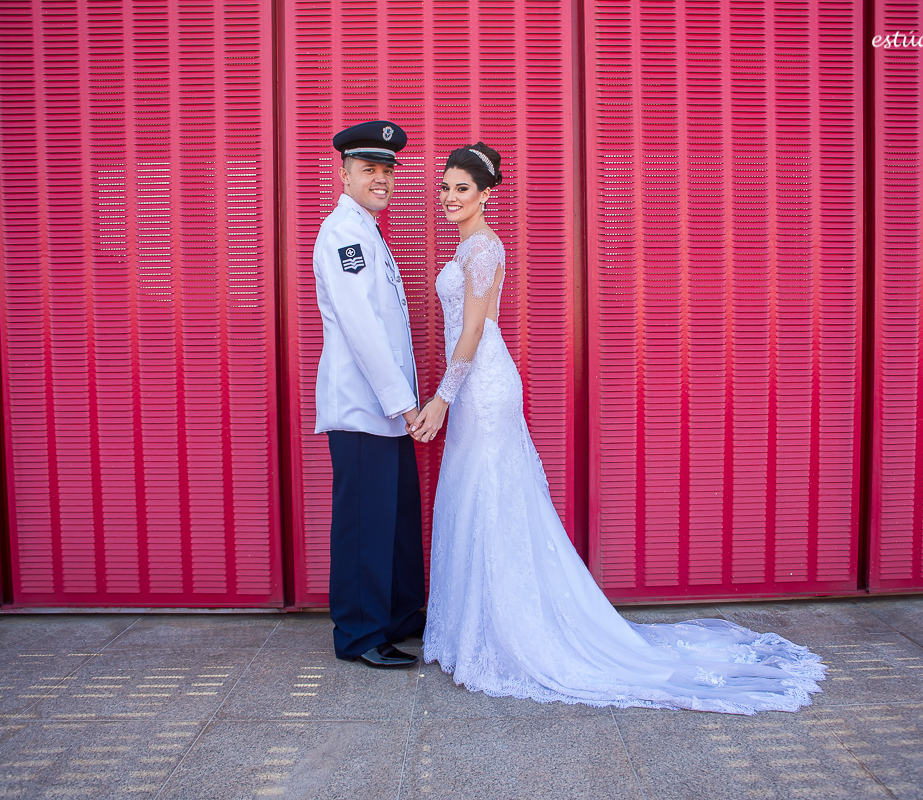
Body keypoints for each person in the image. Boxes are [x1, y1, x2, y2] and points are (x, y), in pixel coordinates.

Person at [407, 142, 827, 713]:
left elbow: (476, 332)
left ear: (487, 194)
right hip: (476, 384)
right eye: (446, 188)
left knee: (491, 494)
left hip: (483, 386)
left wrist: (440, 398)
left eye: (463, 189)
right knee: (479, 494)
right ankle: (476, 627)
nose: (451, 198)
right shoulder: (465, 246)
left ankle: (510, 632)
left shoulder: (483, 247)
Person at [312, 120, 425, 669]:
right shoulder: (342, 233)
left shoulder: (367, 231)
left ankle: (402, 618)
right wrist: (402, 400)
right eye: (369, 169)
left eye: (387, 170)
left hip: (386, 407)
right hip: (364, 407)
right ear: (345, 173)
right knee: (364, 522)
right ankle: (360, 635)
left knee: (396, 517)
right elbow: (360, 325)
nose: (380, 179)